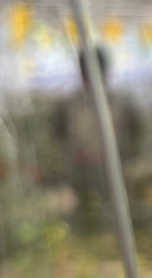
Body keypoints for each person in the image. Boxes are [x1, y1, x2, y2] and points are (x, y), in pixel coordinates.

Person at [55, 46, 140, 231]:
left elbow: (134, 134)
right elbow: (60, 137)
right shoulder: (69, 105)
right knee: (89, 214)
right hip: (83, 171)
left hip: (113, 170)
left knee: (115, 215)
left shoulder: (120, 102)